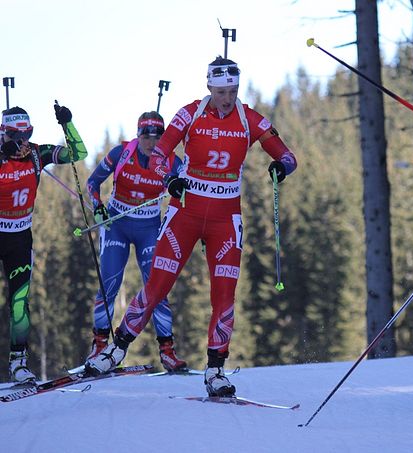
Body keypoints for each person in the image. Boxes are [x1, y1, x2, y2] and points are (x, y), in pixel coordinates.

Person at [86, 57, 298, 397]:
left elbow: (288, 156)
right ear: (209, 88)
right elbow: (160, 152)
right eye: (221, 91)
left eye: (233, 91)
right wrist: (170, 178)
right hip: (185, 212)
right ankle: (117, 349)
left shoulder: (250, 118)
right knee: (156, 286)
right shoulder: (190, 113)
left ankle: (215, 369)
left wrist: (280, 167)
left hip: (225, 219)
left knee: (224, 294)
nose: (227, 98)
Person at [84, 112, 187, 372]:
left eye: (157, 137)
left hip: (149, 228)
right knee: (109, 284)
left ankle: (167, 351)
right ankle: (99, 346)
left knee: (157, 287)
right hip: (116, 225)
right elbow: (92, 182)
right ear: (137, 135)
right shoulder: (122, 154)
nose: (151, 143)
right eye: (145, 137)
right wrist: (98, 207)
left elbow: (189, 191)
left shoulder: (173, 162)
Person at [0, 104, 88, 384]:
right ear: (4, 134)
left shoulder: (38, 154)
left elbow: (78, 154)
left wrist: (68, 124)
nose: (23, 142)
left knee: (19, 302)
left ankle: (18, 362)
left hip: (20, 237)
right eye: (17, 136)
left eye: (28, 134)